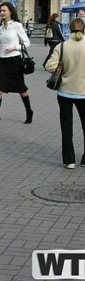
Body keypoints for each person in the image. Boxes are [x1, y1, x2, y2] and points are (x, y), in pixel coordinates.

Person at [45, 18, 85, 169]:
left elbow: (50, 66)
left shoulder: (62, 46)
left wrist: (62, 68)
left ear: (70, 28)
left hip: (65, 92)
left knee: (66, 126)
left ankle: (69, 160)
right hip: (84, 93)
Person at [0, 2, 33, 128]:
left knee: (21, 89)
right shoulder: (1, 27)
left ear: (10, 12)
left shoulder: (17, 25)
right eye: (0, 10)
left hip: (15, 61)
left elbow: (27, 42)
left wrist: (15, 48)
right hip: (3, 61)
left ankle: (29, 112)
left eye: (4, 11)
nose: (1, 13)